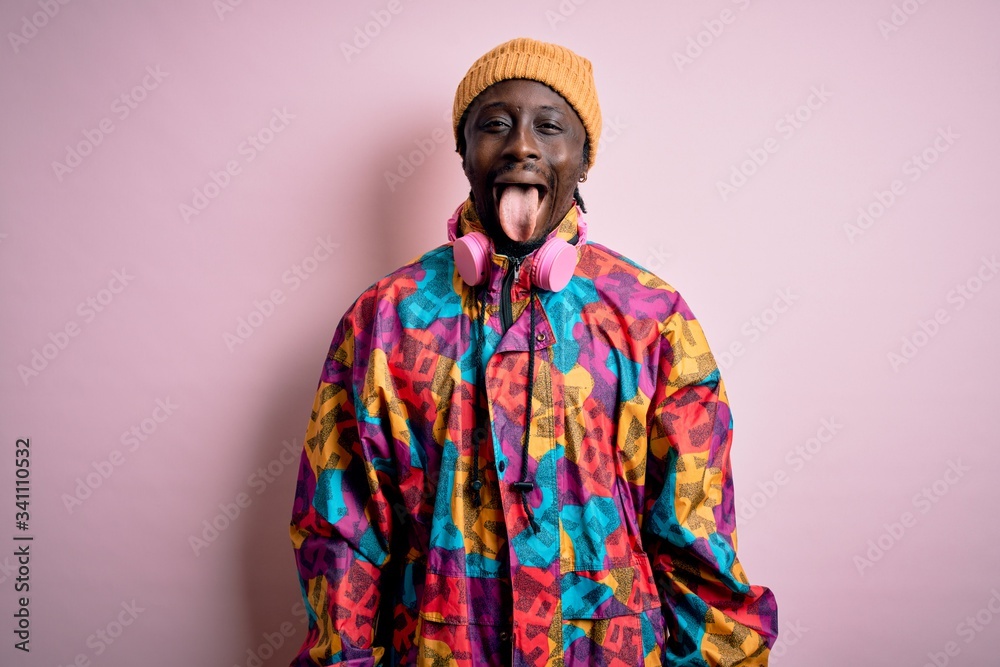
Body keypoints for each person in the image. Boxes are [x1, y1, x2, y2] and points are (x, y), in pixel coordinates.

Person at [289, 37, 778, 667]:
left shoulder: (651, 318)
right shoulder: (385, 320)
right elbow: (341, 536)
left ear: (582, 159)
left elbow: (695, 536)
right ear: (464, 153)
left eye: (550, 126)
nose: (522, 145)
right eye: (495, 125)